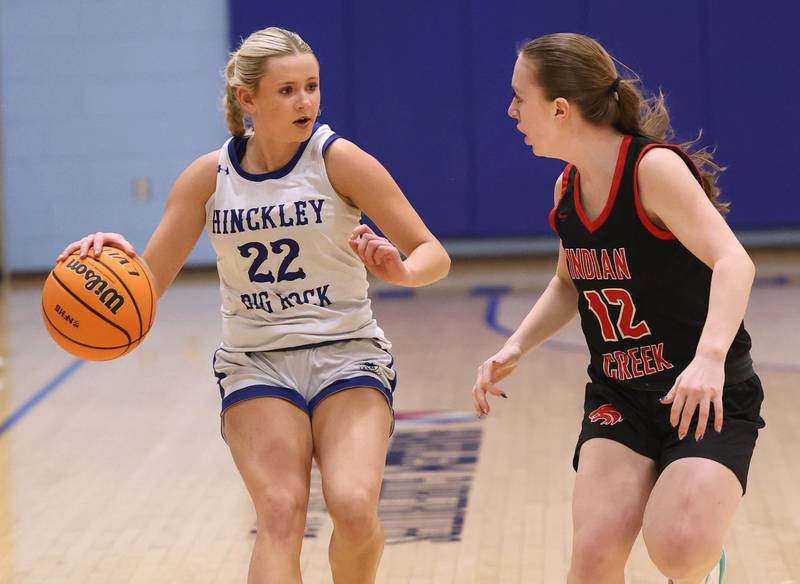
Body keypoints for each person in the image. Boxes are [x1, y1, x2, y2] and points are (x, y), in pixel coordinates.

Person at [58, 26, 450, 584]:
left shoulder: (339, 160)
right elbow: (146, 287)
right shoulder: (207, 177)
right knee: (281, 512)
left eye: (312, 86)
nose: (305, 101)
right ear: (249, 99)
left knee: (354, 507)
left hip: (347, 352)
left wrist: (402, 270)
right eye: (287, 90)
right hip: (256, 362)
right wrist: (113, 262)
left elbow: (435, 253)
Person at [472, 32, 763, 584]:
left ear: (560, 109)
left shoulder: (652, 170)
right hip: (622, 395)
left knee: (678, 550)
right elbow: (569, 282)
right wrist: (514, 347)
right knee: (594, 558)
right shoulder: (569, 186)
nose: (511, 110)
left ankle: (704, 567)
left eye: (518, 97)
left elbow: (734, 262)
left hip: (701, 392)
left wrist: (709, 359)